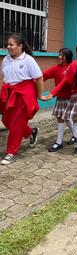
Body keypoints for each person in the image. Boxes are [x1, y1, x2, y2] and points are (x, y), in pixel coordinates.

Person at [0, 33, 43, 165]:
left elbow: (39, 77)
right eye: (7, 44)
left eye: (11, 44)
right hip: (10, 93)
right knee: (7, 121)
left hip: (23, 95)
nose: (8, 46)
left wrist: (39, 95)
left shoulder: (28, 60)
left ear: (20, 46)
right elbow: (2, 76)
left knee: (16, 124)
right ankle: (32, 131)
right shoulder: (6, 59)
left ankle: (11, 152)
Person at [43, 48, 77, 152]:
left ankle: (59, 142)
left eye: (62, 55)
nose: (60, 57)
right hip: (60, 97)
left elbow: (65, 84)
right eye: (59, 55)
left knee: (62, 118)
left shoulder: (71, 68)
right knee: (63, 118)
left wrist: (52, 94)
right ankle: (74, 136)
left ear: (68, 57)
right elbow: (44, 75)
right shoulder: (57, 68)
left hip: (70, 97)